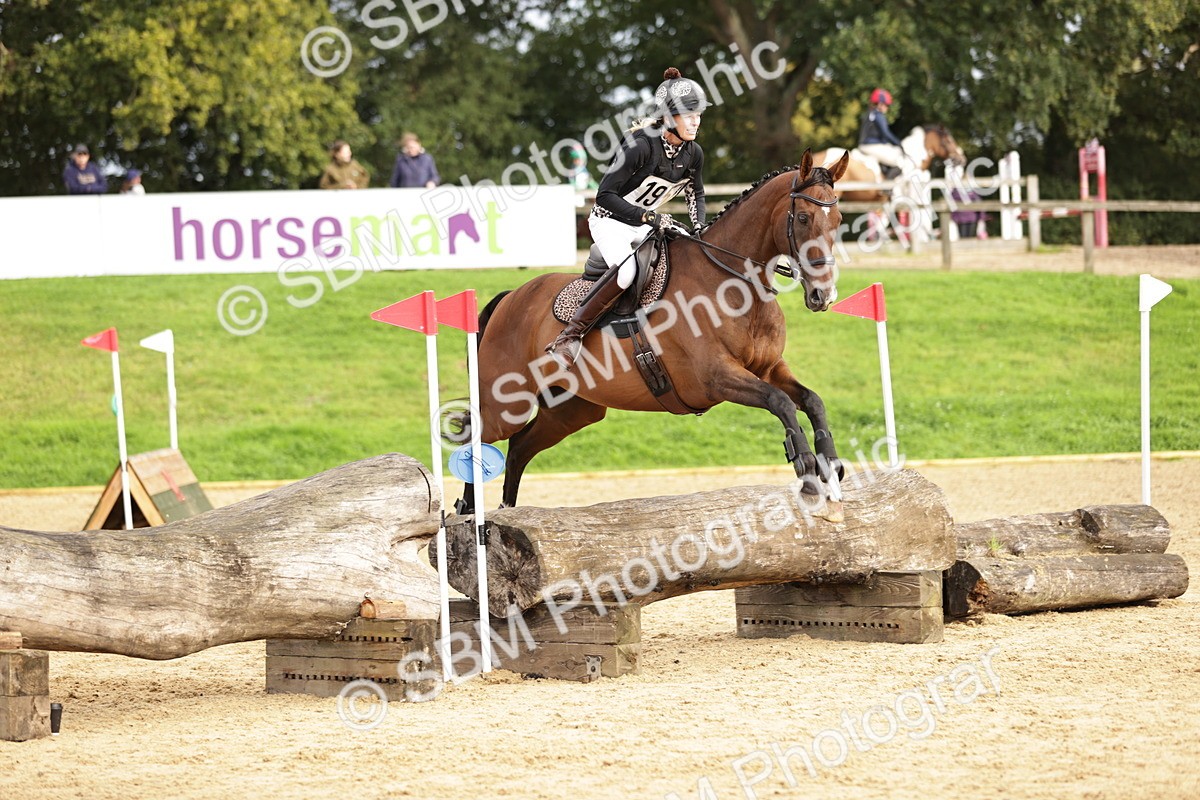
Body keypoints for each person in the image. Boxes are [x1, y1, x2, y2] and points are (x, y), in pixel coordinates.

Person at [545, 66, 707, 369]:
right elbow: (604, 195)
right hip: (610, 221)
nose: (696, 121)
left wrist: (699, 226)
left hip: (645, 226)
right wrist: (648, 216)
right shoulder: (640, 145)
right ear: (669, 117)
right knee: (626, 273)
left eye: (698, 114)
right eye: (689, 114)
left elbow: (694, 193)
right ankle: (570, 335)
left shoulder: (693, 153)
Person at [857, 88, 909, 174]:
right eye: (886, 105)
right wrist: (898, 143)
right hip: (872, 146)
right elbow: (886, 133)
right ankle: (887, 186)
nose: (887, 108)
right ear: (880, 104)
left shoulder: (868, 113)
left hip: (864, 144)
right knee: (899, 161)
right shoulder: (878, 115)